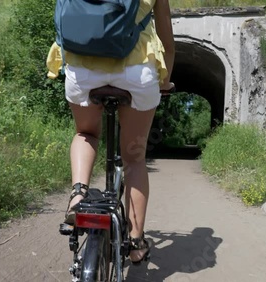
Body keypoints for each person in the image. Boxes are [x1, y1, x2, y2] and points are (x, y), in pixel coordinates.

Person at [46, 0, 175, 264]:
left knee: (86, 133)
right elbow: (167, 41)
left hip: (82, 69)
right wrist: (165, 80)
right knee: (134, 158)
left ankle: (77, 195)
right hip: (136, 70)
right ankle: (136, 242)